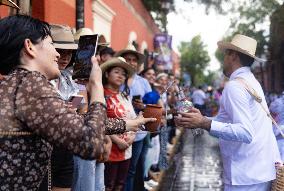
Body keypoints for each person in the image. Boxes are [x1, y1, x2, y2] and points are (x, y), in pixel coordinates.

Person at [0, 15, 155, 191]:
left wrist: (132, 123)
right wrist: (96, 86)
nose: (58, 54)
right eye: (51, 44)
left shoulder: (16, 82)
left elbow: (78, 122)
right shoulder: (30, 83)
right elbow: (90, 144)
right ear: (30, 47)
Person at [175, 34, 281, 191]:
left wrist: (203, 122)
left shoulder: (235, 86)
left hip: (246, 174)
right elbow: (225, 121)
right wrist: (200, 119)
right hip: (257, 170)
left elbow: (246, 132)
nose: (223, 59)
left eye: (226, 54)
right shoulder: (251, 81)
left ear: (233, 56)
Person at [115, 44, 152, 191]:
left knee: (133, 169)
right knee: (119, 173)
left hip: (139, 134)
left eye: (133, 60)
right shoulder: (117, 78)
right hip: (117, 132)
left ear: (137, 63)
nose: (130, 62)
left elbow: (153, 104)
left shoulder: (143, 82)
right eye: (127, 59)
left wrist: (143, 106)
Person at [101, 57, 136, 191]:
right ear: (106, 74)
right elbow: (100, 122)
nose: (120, 76)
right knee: (108, 185)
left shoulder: (124, 96)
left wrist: (132, 136)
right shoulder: (101, 94)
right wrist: (117, 140)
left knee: (120, 184)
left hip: (127, 148)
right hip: (110, 148)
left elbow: (133, 120)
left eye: (123, 73)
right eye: (116, 72)